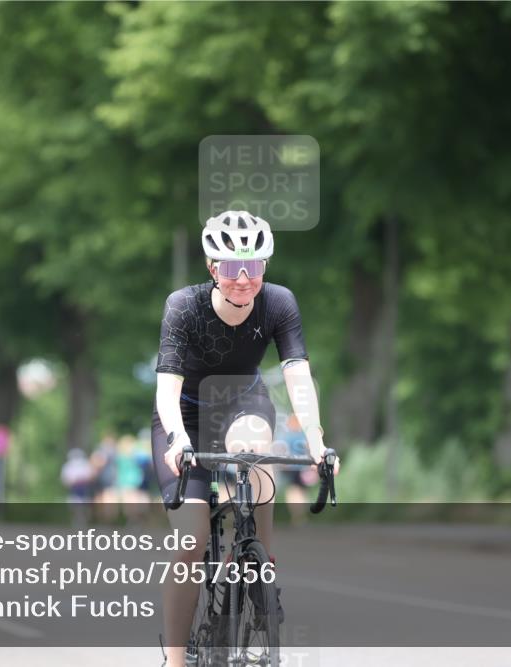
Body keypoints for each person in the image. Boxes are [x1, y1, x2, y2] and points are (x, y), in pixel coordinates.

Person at [151, 210, 340, 667]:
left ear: (264, 268)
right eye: (231, 267)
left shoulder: (279, 303)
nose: (242, 278)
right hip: (186, 418)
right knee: (190, 543)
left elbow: (297, 376)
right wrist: (178, 439)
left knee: (258, 450)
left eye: (252, 266)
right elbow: (167, 390)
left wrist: (315, 439)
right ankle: (175, 660)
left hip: (244, 404)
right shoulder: (183, 306)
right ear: (212, 267)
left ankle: (261, 563)